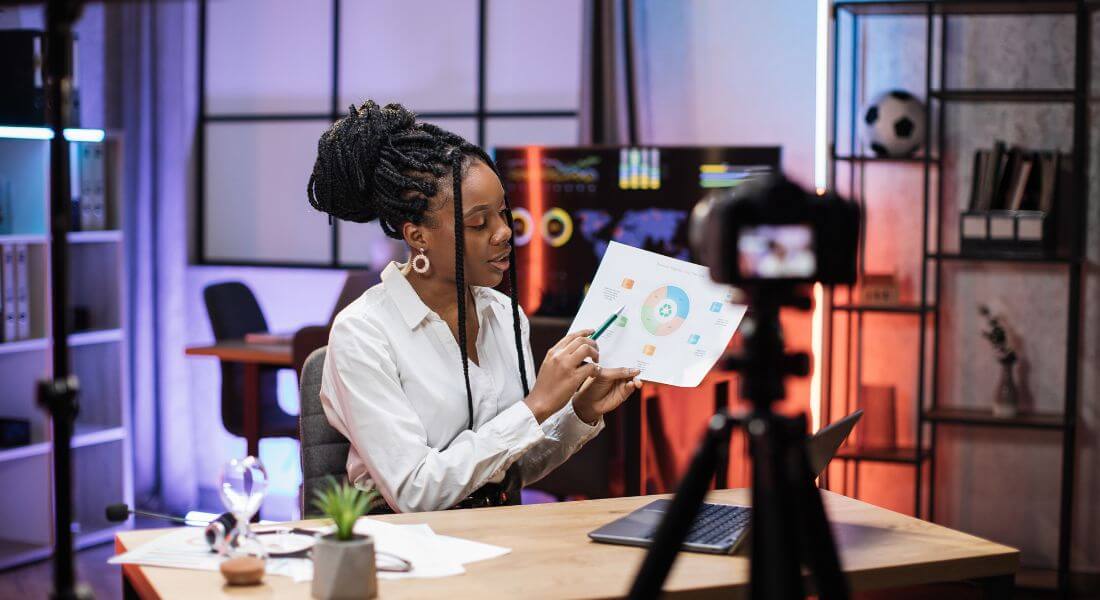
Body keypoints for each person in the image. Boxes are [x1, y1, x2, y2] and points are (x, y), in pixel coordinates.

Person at [307, 101, 641, 513]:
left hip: (494, 530)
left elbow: (515, 465)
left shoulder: (503, 315)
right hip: (404, 542)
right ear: (418, 236)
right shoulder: (363, 332)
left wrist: (579, 411)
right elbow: (414, 492)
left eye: (503, 213)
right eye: (479, 223)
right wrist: (535, 405)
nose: (504, 233)